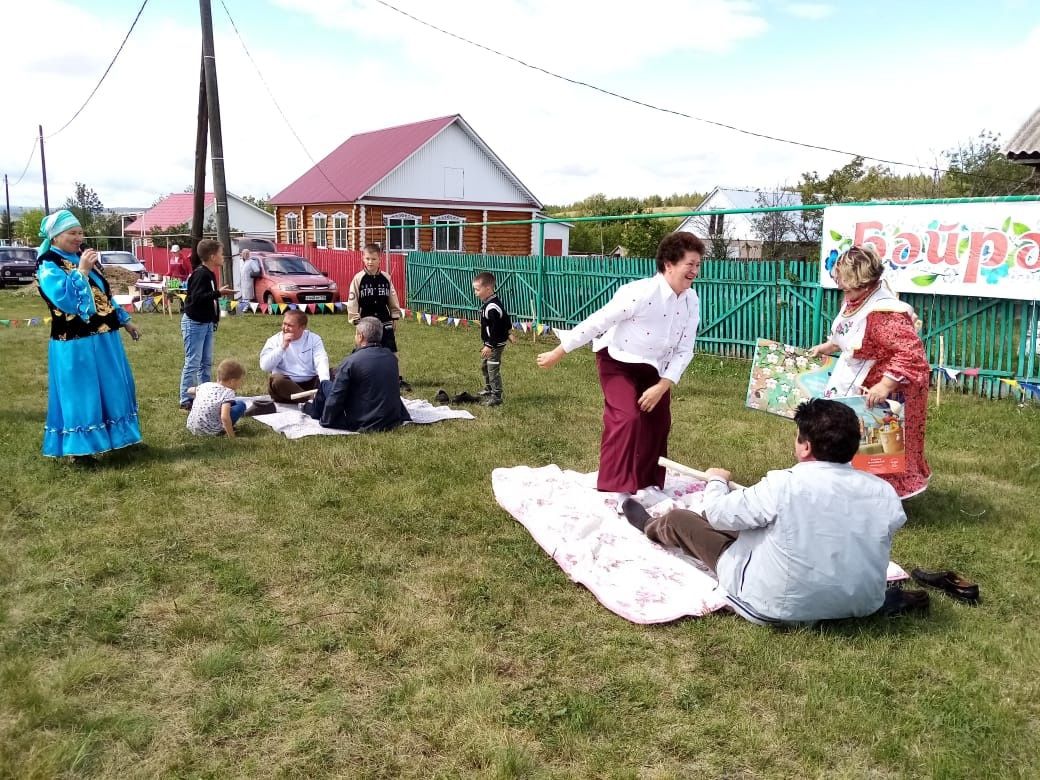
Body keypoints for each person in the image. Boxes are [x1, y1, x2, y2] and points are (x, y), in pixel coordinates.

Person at [624, 399, 907, 626]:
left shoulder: (784, 484)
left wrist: (716, 481)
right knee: (763, 523)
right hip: (862, 602)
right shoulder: (883, 491)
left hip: (778, 604)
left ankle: (652, 526)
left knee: (682, 520)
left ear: (806, 447)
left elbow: (717, 513)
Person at [536, 232, 704, 505]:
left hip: (655, 370)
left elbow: (686, 348)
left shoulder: (691, 300)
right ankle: (616, 488)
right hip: (618, 361)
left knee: (658, 422)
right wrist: (559, 351)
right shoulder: (639, 293)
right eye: (691, 264)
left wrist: (662, 385)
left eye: (698, 265)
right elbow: (598, 322)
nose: (695, 271)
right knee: (627, 418)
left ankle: (647, 482)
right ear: (669, 264)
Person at [809, 244, 931, 499]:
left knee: (877, 444)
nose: (841, 286)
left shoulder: (884, 313)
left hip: (885, 386)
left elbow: (910, 353)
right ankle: (847, 488)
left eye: (845, 281)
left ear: (863, 282)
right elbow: (848, 335)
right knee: (847, 435)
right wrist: (826, 346)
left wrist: (885, 385)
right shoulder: (856, 298)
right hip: (857, 377)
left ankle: (880, 497)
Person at [35, 210, 143, 462]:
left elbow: (102, 294)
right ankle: (81, 451)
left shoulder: (82, 258)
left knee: (114, 387)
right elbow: (65, 300)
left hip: (105, 336)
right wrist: (81, 270)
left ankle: (119, 439)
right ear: (55, 236)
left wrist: (125, 321)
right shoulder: (48, 264)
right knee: (82, 392)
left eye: (80, 232)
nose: (78, 237)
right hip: (75, 340)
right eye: (72, 233)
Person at [305, 317, 410, 432]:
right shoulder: (391, 357)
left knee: (325, 384)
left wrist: (326, 420)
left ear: (360, 337)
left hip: (362, 421)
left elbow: (336, 397)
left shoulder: (351, 361)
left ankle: (314, 411)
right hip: (391, 419)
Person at [347, 244, 411, 392]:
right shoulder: (358, 279)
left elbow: (392, 298)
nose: (370, 262)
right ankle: (360, 376)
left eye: (373, 259)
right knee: (364, 348)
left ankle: (396, 378)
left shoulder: (386, 278)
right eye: (367, 258)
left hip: (384, 318)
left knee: (390, 348)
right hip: (366, 320)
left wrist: (394, 316)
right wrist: (356, 320)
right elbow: (352, 300)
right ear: (363, 258)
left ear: (379, 259)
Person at [179, 239, 234, 410]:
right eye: (220, 253)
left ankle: (205, 395)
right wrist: (218, 293)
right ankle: (185, 399)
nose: (222, 256)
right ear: (212, 256)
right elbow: (196, 298)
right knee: (193, 362)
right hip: (194, 323)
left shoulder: (210, 273)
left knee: (206, 362)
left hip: (206, 323)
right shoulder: (200, 274)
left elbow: (207, 296)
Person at [258, 310, 331, 402]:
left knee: (336, 372)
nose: (285, 328)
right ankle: (311, 399)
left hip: (310, 383)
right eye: (284, 324)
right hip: (287, 387)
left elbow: (321, 359)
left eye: (290, 325)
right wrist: (282, 347)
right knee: (277, 380)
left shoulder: (313, 339)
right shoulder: (274, 340)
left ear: (302, 327)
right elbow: (265, 366)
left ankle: (319, 396)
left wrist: (324, 382)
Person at [472, 271, 512, 407]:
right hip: (489, 343)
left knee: (492, 368)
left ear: (488, 289)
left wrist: (489, 345)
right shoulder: (489, 303)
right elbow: (506, 319)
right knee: (484, 366)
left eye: (477, 289)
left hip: (494, 344)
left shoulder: (492, 306)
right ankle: (489, 389)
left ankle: (497, 396)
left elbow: (497, 327)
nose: (475, 292)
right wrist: (509, 332)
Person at [186, 359, 247, 438]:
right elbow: (225, 417)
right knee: (240, 405)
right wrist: (232, 437)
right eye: (240, 381)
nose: (240, 384)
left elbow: (189, 390)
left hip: (192, 427)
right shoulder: (228, 392)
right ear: (232, 381)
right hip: (210, 431)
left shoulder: (206, 385)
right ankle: (223, 430)